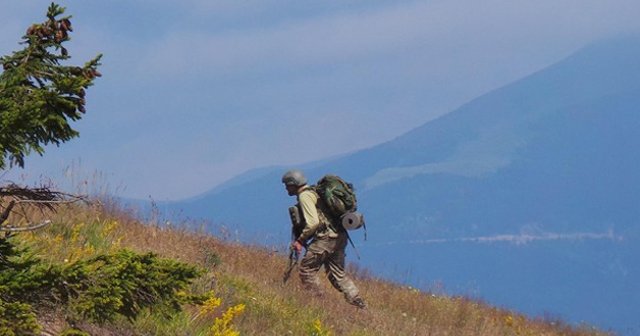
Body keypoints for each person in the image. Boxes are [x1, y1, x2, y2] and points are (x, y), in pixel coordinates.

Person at [281, 169, 366, 309]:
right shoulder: (316, 192)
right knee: (337, 274)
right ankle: (358, 303)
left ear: (293, 184)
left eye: (287, 185)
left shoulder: (305, 196)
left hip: (325, 239)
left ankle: (321, 303)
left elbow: (313, 222)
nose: (286, 189)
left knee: (306, 270)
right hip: (340, 236)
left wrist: (300, 240)